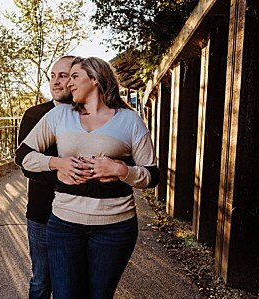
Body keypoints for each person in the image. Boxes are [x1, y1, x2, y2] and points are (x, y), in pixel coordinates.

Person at [16, 56, 159, 299]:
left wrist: (123, 171)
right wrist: (57, 163)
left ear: (94, 79)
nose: (68, 84)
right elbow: (23, 155)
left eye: (74, 77)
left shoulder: (130, 120)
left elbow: (152, 175)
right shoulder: (59, 116)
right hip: (64, 224)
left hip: (115, 227)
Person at [14, 55, 74, 299]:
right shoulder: (35, 114)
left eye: (63, 75)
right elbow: (26, 165)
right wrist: (64, 176)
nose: (56, 82)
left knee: (70, 280)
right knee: (42, 279)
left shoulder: (89, 116)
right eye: (52, 76)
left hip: (77, 215)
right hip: (42, 212)